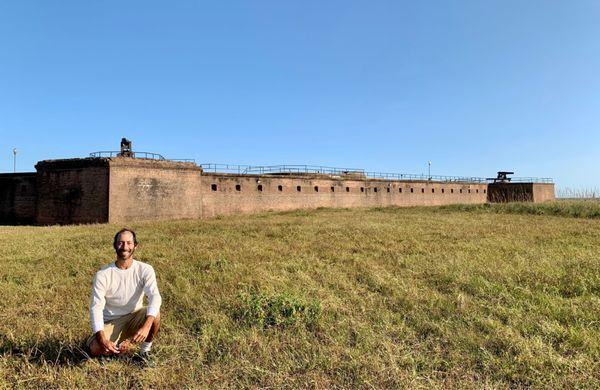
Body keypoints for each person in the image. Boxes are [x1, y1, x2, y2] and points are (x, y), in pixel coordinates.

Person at [86, 228, 162, 360]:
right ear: (115, 245)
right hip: (111, 321)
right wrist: (103, 340)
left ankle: (144, 352)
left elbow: (155, 296)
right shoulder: (103, 274)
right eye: (120, 243)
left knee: (155, 314)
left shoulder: (145, 269)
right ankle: (117, 347)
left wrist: (146, 326)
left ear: (135, 246)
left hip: (134, 317)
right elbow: (96, 308)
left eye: (129, 243)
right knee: (95, 348)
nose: (125, 247)